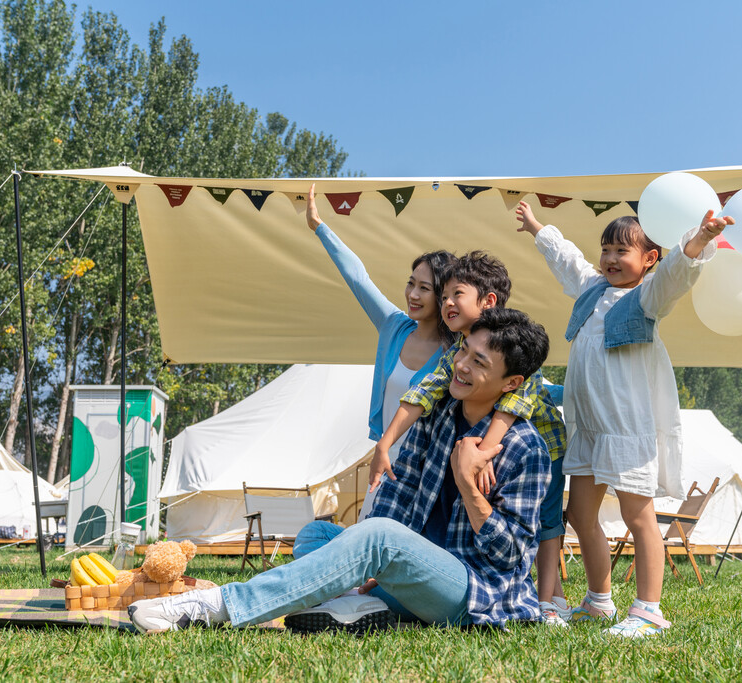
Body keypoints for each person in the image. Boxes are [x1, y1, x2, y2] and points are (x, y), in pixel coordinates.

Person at [128, 308, 553, 633]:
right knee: (320, 535)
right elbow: (399, 491)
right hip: (416, 571)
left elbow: (512, 556)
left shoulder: (524, 447)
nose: (461, 365)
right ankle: (359, 600)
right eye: (463, 351)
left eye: (480, 363)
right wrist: (370, 558)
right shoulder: (440, 413)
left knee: (377, 538)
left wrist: (468, 487)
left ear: (511, 383)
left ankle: (217, 607)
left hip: (475, 594)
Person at [514, 200, 731, 638]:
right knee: (579, 514)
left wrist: (700, 239)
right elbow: (566, 259)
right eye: (606, 249)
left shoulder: (646, 297)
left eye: (622, 251)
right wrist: (537, 226)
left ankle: (649, 610)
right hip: (589, 428)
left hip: (626, 427)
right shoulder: (592, 289)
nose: (611, 259)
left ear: (647, 259)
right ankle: (599, 601)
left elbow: (675, 275)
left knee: (639, 517)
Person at [372, 251, 570, 625]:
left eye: (454, 294)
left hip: (539, 452)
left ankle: (547, 601)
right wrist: (384, 443)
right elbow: (422, 392)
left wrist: (481, 452)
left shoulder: (516, 356)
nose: (446, 302)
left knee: (545, 528)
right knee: (321, 535)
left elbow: (510, 408)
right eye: (443, 295)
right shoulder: (455, 357)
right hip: (482, 459)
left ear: (487, 302)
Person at [303, 184, 455, 524]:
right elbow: (358, 277)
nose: (413, 294)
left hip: (424, 473)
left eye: (424, 288)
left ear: (444, 295)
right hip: (382, 463)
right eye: (411, 282)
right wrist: (319, 227)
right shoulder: (393, 327)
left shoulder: (455, 351)